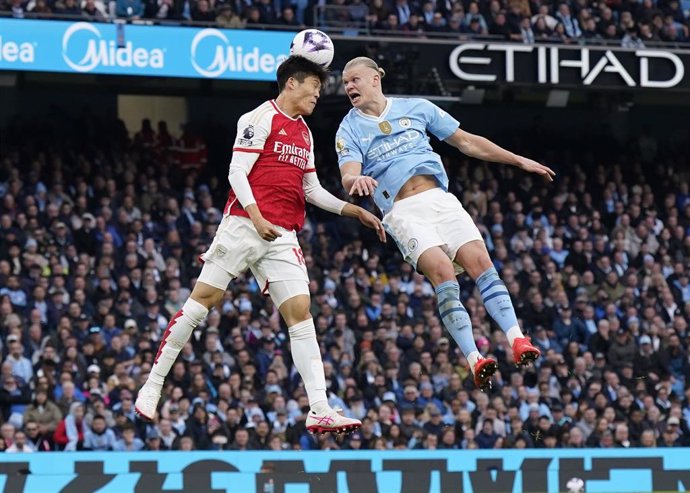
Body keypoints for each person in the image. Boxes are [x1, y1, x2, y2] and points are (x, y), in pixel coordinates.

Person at [136, 56, 385, 435]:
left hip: (283, 233)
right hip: (243, 225)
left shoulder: (304, 132)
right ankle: (152, 385)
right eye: (314, 86)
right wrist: (256, 216)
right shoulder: (259, 118)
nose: (319, 93)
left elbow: (311, 190)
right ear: (292, 84)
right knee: (202, 302)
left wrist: (355, 212)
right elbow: (237, 170)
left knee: (301, 313)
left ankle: (319, 406)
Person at [335, 57, 555, 390]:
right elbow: (348, 173)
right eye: (345, 82)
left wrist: (518, 160)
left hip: (440, 200)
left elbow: (466, 141)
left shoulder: (418, 108)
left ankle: (517, 339)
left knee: (481, 262)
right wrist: (357, 180)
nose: (349, 86)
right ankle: (474, 359)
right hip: (402, 212)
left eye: (354, 79)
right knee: (443, 272)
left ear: (376, 78)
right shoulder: (348, 128)